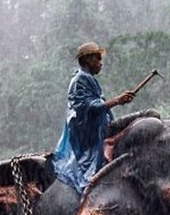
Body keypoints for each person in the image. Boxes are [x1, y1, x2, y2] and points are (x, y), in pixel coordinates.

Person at [53, 41, 136, 193]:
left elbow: (97, 104)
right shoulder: (80, 80)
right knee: (143, 118)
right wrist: (117, 100)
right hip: (90, 133)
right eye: (97, 59)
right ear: (87, 60)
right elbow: (88, 107)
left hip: (102, 125)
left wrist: (117, 101)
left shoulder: (88, 79)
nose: (100, 63)